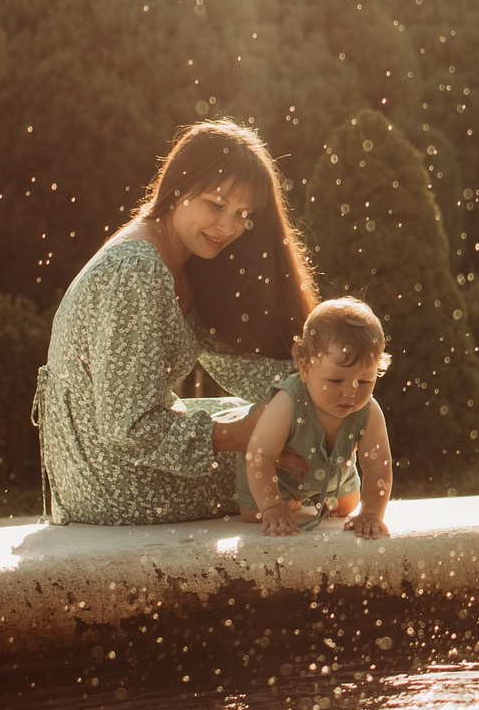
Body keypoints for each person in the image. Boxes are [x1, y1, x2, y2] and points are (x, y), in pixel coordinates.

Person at [34, 122, 317, 525]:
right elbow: (126, 425)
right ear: (178, 187)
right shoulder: (137, 269)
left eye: (242, 214)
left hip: (110, 460)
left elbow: (236, 362)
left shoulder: (183, 257)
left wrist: (318, 393)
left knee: (288, 425)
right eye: (216, 204)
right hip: (107, 480)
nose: (229, 227)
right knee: (285, 456)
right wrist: (240, 435)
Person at [237, 297, 397, 538]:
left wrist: (372, 513)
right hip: (279, 478)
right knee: (253, 513)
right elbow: (259, 455)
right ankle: (288, 501)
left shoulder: (368, 410)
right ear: (305, 369)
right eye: (336, 380)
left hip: (333, 473)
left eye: (364, 381)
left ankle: (310, 497)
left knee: (346, 508)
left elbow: (378, 465)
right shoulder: (289, 402)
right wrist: (272, 508)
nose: (350, 392)